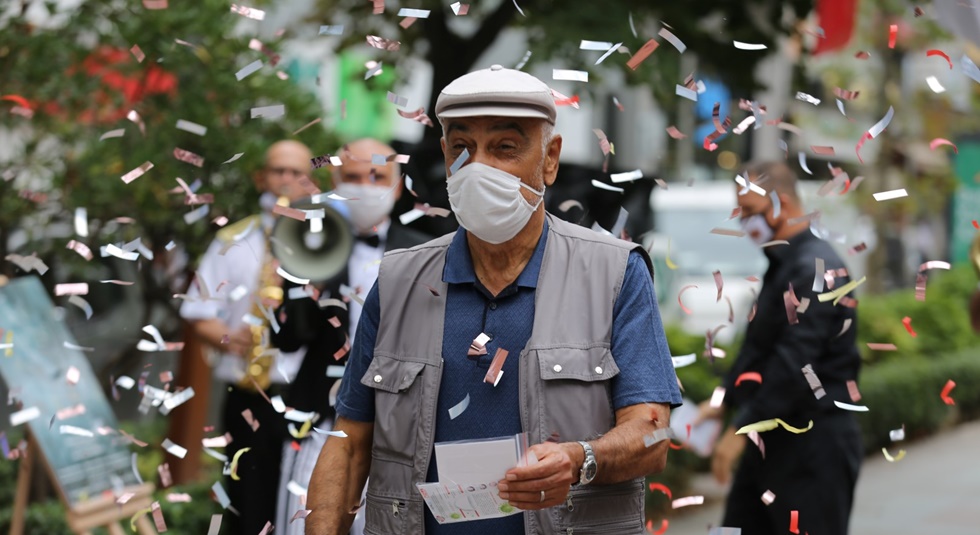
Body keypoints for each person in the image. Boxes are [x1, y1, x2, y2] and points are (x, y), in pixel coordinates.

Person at [303, 64, 682, 535]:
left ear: (550, 158)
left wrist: (579, 459)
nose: (479, 167)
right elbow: (351, 440)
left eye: (505, 147)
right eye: (462, 148)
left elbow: (652, 435)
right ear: (443, 155)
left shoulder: (614, 272)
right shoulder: (400, 279)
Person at [273, 138, 430, 535]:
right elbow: (289, 339)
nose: (365, 186)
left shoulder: (425, 253)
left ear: (397, 186)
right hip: (322, 423)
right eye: (354, 177)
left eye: (377, 176)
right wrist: (298, 279)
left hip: (398, 430)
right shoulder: (311, 243)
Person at [699, 161, 863, 535]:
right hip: (771, 445)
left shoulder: (816, 269)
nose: (747, 225)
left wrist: (741, 428)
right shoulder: (783, 263)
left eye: (753, 213)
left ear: (783, 203)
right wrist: (723, 399)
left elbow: (794, 365)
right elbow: (759, 349)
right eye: (741, 214)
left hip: (813, 449)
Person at [180, 140, 317, 534]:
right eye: (279, 171)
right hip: (247, 392)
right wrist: (228, 338)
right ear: (261, 177)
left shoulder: (323, 238)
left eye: (297, 172)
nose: (287, 180)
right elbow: (196, 310)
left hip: (302, 395)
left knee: (300, 503)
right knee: (246, 501)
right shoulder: (232, 240)